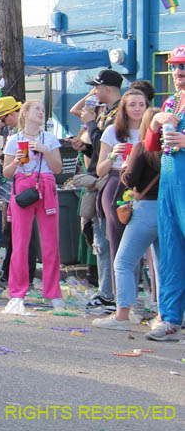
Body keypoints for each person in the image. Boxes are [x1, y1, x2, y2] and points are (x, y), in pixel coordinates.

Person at [94, 107, 161, 331]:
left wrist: (123, 168)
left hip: (145, 210)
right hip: (166, 210)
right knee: (161, 266)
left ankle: (122, 313)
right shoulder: (170, 150)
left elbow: (130, 179)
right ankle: (165, 314)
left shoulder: (141, 148)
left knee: (122, 262)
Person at [69, 68, 124, 313]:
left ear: (108, 89)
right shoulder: (105, 111)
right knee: (96, 237)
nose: (94, 91)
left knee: (106, 239)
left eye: (97, 87)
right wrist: (85, 147)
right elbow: (99, 147)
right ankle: (107, 291)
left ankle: (110, 295)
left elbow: (107, 143)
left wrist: (91, 123)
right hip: (97, 177)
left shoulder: (118, 113)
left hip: (109, 181)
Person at [1, 101, 64, 315]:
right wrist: (16, 162)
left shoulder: (50, 138)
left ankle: (53, 292)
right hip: (23, 187)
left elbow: (57, 168)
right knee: (20, 243)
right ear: (25, 113)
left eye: (43, 110)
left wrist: (45, 150)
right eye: (36, 109)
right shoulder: (13, 140)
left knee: (50, 243)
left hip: (46, 187)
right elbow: (6, 173)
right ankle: (17, 292)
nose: (41, 112)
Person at [142, 45, 185, 340]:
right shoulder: (171, 103)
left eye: (183, 67)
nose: (178, 73)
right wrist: (155, 121)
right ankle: (170, 318)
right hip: (169, 181)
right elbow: (150, 147)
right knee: (170, 250)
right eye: (174, 67)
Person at [95, 89, 148, 297]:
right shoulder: (112, 132)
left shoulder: (151, 132)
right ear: (124, 109)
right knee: (118, 243)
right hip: (117, 184)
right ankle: (122, 300)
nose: (137, 108)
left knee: (140, 242)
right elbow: (100, 171)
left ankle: (141, 295)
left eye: (141, 104)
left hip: (144, 189)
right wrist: (112, 156)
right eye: (132, 104)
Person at [0, 96, 36, 285]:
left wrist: (2, 156)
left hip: (22, 188)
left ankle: (24, 275)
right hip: (13, 188)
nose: (2, 122)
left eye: (4, 118)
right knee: (11, 233)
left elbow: (23, 162)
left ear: (14, 114)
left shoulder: (23, 135)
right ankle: (11, 271)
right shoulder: (13, 131)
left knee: (23, 234)